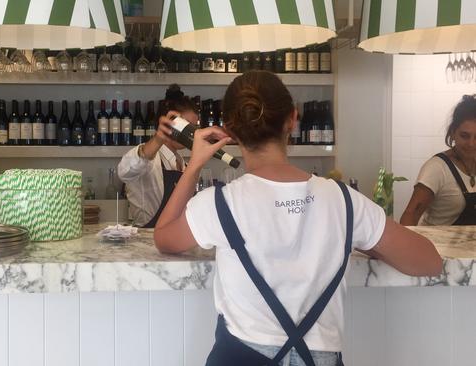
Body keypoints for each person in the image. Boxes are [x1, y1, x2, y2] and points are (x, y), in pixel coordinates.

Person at [154, 71, 442, 366]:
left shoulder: (218, 203)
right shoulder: (344, 201)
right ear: (293, 119)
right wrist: (358, 238)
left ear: (229, 130)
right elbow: (429, 261)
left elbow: (163, 238)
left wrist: (195, 165)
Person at [117, 84, 199, 227]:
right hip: (147, 243)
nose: (192, 133)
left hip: (177, 241)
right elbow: (124, 172)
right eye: (187, 127)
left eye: (195, 127)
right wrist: (157, 139)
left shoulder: (183, 165)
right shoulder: (150, 160)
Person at [401, 95, 476, 226]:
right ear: (453, 133)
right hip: (438, 245)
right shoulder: (437, 168)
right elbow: (410, 216)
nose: (471, 144)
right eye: (464, 136)